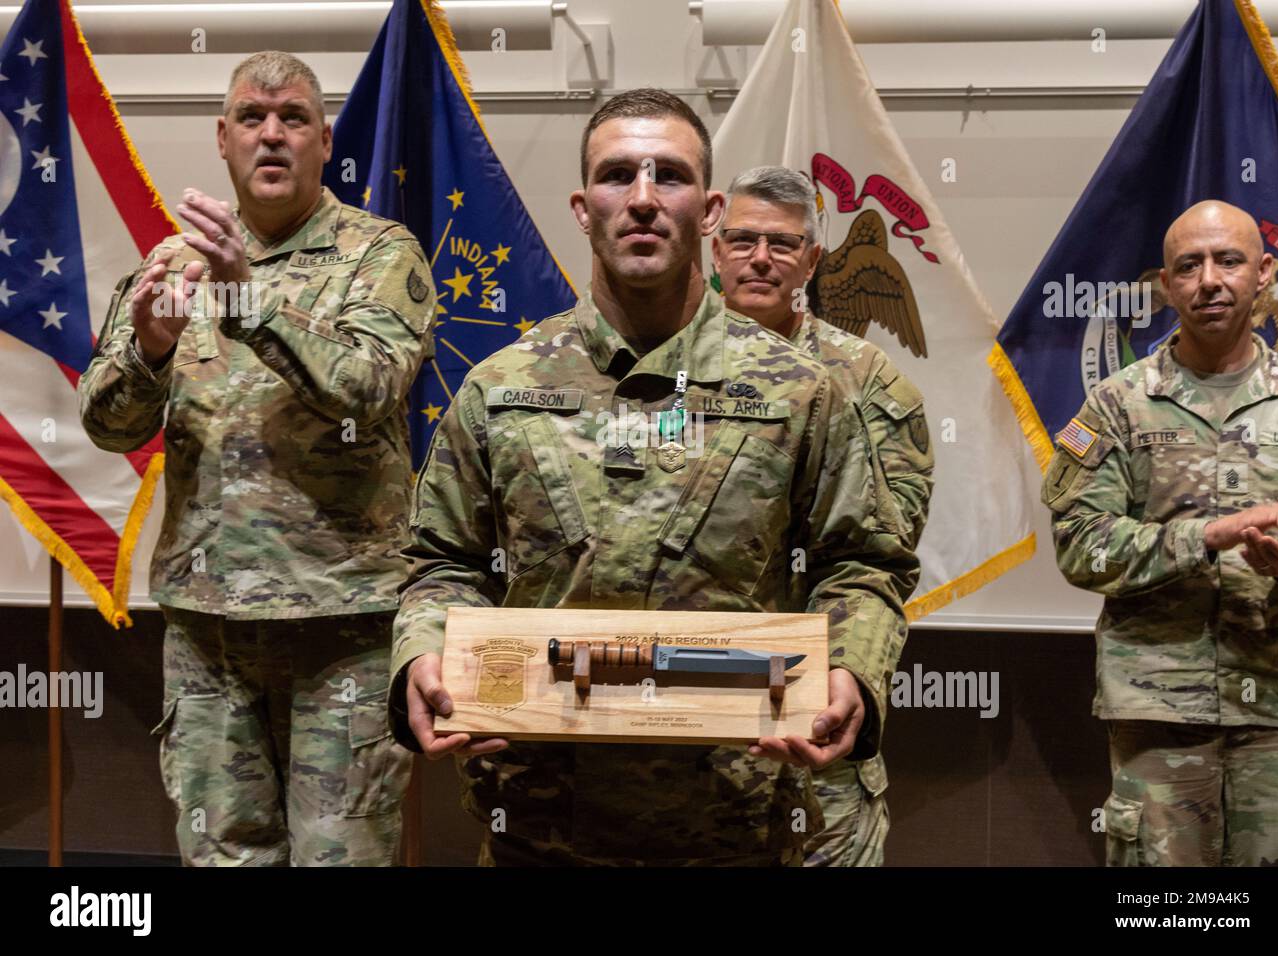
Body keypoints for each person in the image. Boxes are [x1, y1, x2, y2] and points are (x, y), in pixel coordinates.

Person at [390, 89, 915, 866]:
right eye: (616, 176)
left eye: (667, 175)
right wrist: (423, 650)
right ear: (581, 205)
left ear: (707, 211)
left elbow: (863, 563)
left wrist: (852, 672)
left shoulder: (798, 389)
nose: (641, 199)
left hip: (738, 818)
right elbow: (441, 561)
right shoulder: (499, 389)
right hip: (541, 820)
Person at [78, 51, 434, 866]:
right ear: (223, 138)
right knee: (223, 856)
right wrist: (152, 352)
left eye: (293, 118)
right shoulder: (170, 266)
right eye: (252, 117)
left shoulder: (379, 255)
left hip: (342, 627)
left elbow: (370, 385)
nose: (271, 135)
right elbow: (105, 423)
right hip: (209, 631)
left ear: (323, 140)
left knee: (338, 858)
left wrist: (248, 298)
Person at [1044, 199, 1278, 866]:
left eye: (1229, 260)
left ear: (1265, 272)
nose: (1209, 279)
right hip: (1161, 713)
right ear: (1166, 284)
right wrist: (1204, 538)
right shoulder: (1117, 405)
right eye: (1189, 265)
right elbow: (1079, 542)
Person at [711, 166, 932, 867]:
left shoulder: (867, 381)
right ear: (715, 248)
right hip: (687, 717)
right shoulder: (662, 375)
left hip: (815, 720)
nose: (761, 258)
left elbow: (883, 546)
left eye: (783, 243)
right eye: (743, 239)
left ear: (812, 258)